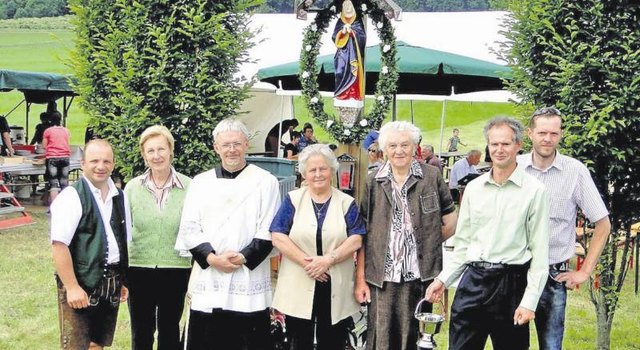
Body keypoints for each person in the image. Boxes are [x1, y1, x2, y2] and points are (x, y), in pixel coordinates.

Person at [425, 117, 550, 350]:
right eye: (494, 144)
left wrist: (529, 302)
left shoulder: (535, 191)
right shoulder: (474, 189)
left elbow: (540, 253)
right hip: (473, 282)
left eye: (505, 144)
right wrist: (443, 280)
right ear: (488, 146)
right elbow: (462, 244)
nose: (499, 150)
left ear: (518, 145)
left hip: (511, 285)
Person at [175, 118, 280, 350]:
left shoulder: (266, 182)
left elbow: (269, 227)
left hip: (247, 278)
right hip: (210, 276)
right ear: (216, 147)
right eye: (225, 145)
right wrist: (212, 258)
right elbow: (189, 227)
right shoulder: (201, 183)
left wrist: (242, 257)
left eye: (237, 144)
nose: (231, 150)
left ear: (246, 144)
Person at [354, 121, 457, 350]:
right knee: (380, 337)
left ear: (414, 147)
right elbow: (364, 233)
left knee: (415, 337)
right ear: (384, 150)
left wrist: (425, 244)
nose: (399, 151)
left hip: (421, 276)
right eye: (392, 146)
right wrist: (360, 278)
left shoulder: (431, 176)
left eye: (404, 145)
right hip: (381, 277)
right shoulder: (373, 180)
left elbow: (450, 221)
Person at [518, 107, 611, 350]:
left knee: (550, 345)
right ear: (530, 134)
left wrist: (585, 271)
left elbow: (602, 223)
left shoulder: (575, 171)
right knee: (511, 343)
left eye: (553, 133)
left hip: (553, 273)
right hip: (514, 271)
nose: (547, 138)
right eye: (541, 132)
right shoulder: (513, 167)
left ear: (561, 135)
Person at [270, 144, 366, 350]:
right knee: (298, 341)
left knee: (332, 341)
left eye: (323, 168)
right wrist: (310, 264)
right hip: (299, 281)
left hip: (335, 284)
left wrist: (327, 260)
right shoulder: (293, 200)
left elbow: (357, 238)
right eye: (312, 170)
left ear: (332, 170)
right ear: (304, 173)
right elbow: (278, 235)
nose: (318, 174)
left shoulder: (346, 202)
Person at [50, 139, 131, 350]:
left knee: (98, 344)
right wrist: (72, 287)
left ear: (113, 164)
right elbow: (59, 245)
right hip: (82, 282)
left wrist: (121, 280)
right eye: (94, 160)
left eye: (106, 161)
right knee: (77, 346)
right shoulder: (71, 197)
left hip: (111, 281)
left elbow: (120, 242)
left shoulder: (120, 196)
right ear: (83, 163)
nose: (101, 166)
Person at [124, 125, 192, 350]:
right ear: (144, 155)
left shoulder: (190, 187)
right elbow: (123, 230)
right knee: (141, 331)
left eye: (161, 149)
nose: (156, 156)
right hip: (138, 268)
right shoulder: (132, 188)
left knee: (169, 330)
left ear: (171, 150)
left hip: (176, 268)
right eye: (150, 151)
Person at [333, 0, 366, 110]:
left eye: (349, 6)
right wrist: (342, 32)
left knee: (354, 73)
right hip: (342, 53)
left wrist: (352, 32)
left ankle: (353, 93)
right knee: (340, 72)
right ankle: (342, 94)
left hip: (353, 54)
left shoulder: (357, 21)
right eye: (345, 6)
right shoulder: (340, 22)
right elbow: (334, 37)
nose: (347, 9)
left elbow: (362, 37)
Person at [42, 111, 71, 204]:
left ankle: (55, 206)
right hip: (65, 157)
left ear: (51, 120)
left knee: (53, 182)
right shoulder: (66, 130)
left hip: (52, 157)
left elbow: (44, 145)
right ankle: (66, 205)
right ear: (60, 119)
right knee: (64, 182)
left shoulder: (48, 131)